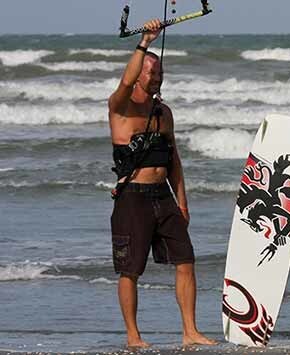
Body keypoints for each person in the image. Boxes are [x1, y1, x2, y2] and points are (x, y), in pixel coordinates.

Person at [108, 18, 216, 348]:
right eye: (151, 72)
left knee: (186, 260)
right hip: (133, 198)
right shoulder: (121, 107)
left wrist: (182, 201)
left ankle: (190, 331)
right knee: (131, 270)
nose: (156, 77)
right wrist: (145, 41)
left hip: (163, 197)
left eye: (160, 73)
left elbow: (174, 161)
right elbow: (125, 83)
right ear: (139, 72)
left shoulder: (164, 112)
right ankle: (133, 336)